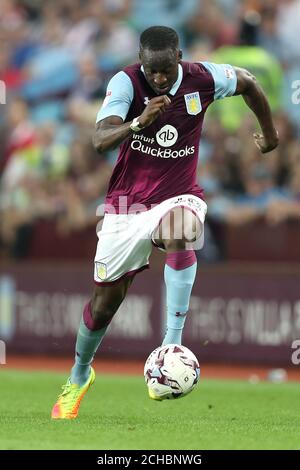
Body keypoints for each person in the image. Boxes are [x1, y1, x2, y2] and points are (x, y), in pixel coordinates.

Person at [51, 26, 278, 419]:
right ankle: (79, 375)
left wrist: (270, 135)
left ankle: (170, 348)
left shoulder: (202, 78)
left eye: (165, 69)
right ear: (141, 60)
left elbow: (249, 83)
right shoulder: (125, 82)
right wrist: (138, 123)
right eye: (150, 70)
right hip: (126, 206)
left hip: (178, 193)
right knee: (103, 305)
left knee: (182, 230)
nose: (158, 78)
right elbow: (100, 139)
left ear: (179, 56)